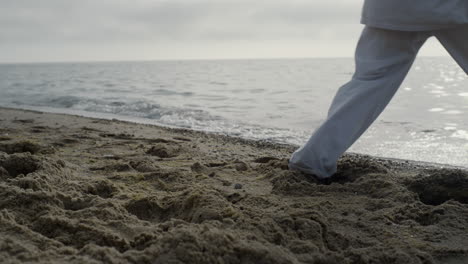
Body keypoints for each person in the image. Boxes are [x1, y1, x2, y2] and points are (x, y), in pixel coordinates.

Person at [288, 0, 468, 179]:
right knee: (369, 83)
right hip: (452, 7)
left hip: (391, 8)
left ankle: (313, 160)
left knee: (368, 84)